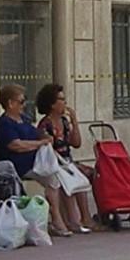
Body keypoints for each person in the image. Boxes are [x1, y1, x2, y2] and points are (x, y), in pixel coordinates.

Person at [0, 84, 73, 237]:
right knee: (52, 177)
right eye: (21, 101)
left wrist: (44, 137)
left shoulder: (23, 119)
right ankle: (57, 219)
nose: (24, 105)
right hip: (19, 163)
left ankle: (61, 218)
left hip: (34, 160)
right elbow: (15, 145)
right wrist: (39, 144)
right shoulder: (5, 123)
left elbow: (35, 133)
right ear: (10, 103)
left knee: (57, 176)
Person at [36, 83, 94, 234]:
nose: (65, 103)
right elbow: (48, 148)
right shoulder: (45, 124)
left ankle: (86, 217)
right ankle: (72, 220)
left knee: (86, 175)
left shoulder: (64, 122)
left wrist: (74, 122)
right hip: (55, 163)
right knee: (68, 180)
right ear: (52, 104)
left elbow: (76, 143)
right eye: (61, 99)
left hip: (68, 161)